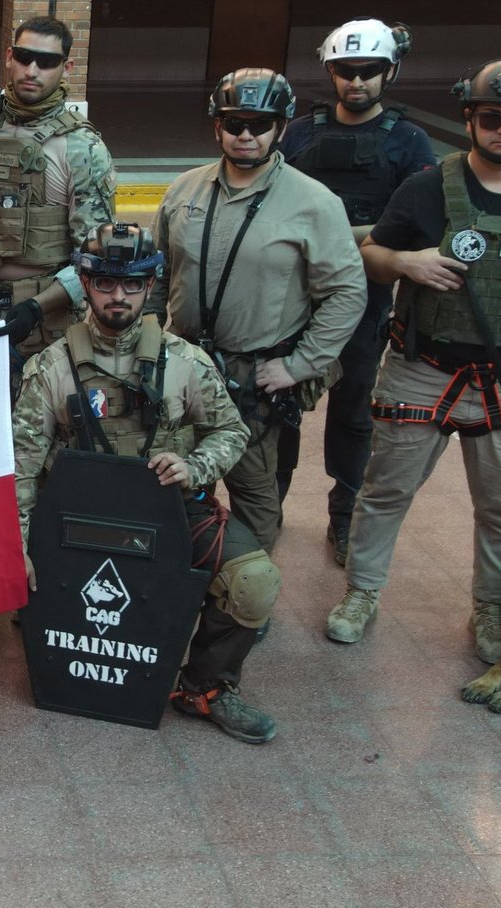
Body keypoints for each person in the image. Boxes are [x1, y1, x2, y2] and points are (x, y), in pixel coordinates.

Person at [325, 58, 501, 660]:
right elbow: (371, 252)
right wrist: (405, 263)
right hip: (421, 370)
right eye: (492, 116)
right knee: (385, 491)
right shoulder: (425, 189)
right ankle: (362, 594)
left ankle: (491, 608)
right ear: (470, 117)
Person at [13, 225, 282, 743]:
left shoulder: (187, 363)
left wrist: (196, 467)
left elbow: (230, 431)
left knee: (255, 583)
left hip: (172, 509)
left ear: (152, 283)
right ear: (85, 283)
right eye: (105, 283)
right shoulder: (49, 368)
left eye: (133, 284)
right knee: (42, 595)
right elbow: (22, 466)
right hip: (76, 518)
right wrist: (18, 544)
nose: (118, 296)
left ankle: (205, 687)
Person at [155, 69, 367, 552]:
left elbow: (347, 291)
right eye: (235, 124)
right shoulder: (184, 191)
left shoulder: (313, 202)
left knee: (254, 494)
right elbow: (159, 276)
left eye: (260, 124)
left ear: (282, 128)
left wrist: (300, 364)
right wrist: (149, 347)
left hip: (253, 381)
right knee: (173, 477)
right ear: (217, 127)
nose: (246, 135)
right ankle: (181, 581)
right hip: (185, 366)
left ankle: (247, 593)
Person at [277, 19, 437, 567]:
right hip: (292, 296)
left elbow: (415, 226)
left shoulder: (409, 142)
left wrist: (338, 240)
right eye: (346, 71)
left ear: (389, 72)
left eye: (369, 71)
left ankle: (344, 514)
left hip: (364, 300)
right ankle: (266, 508)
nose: (357, 81)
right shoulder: (298, 133)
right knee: (278, 407)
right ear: (331, 71)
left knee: (353, 411)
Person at [0, 16, 122, 364]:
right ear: (9, 57)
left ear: (66, 68)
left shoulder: (81, 147)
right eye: (24, 57)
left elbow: (97, 257)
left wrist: (37, 308)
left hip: (45, 324)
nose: (32, 70)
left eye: (47, 61)